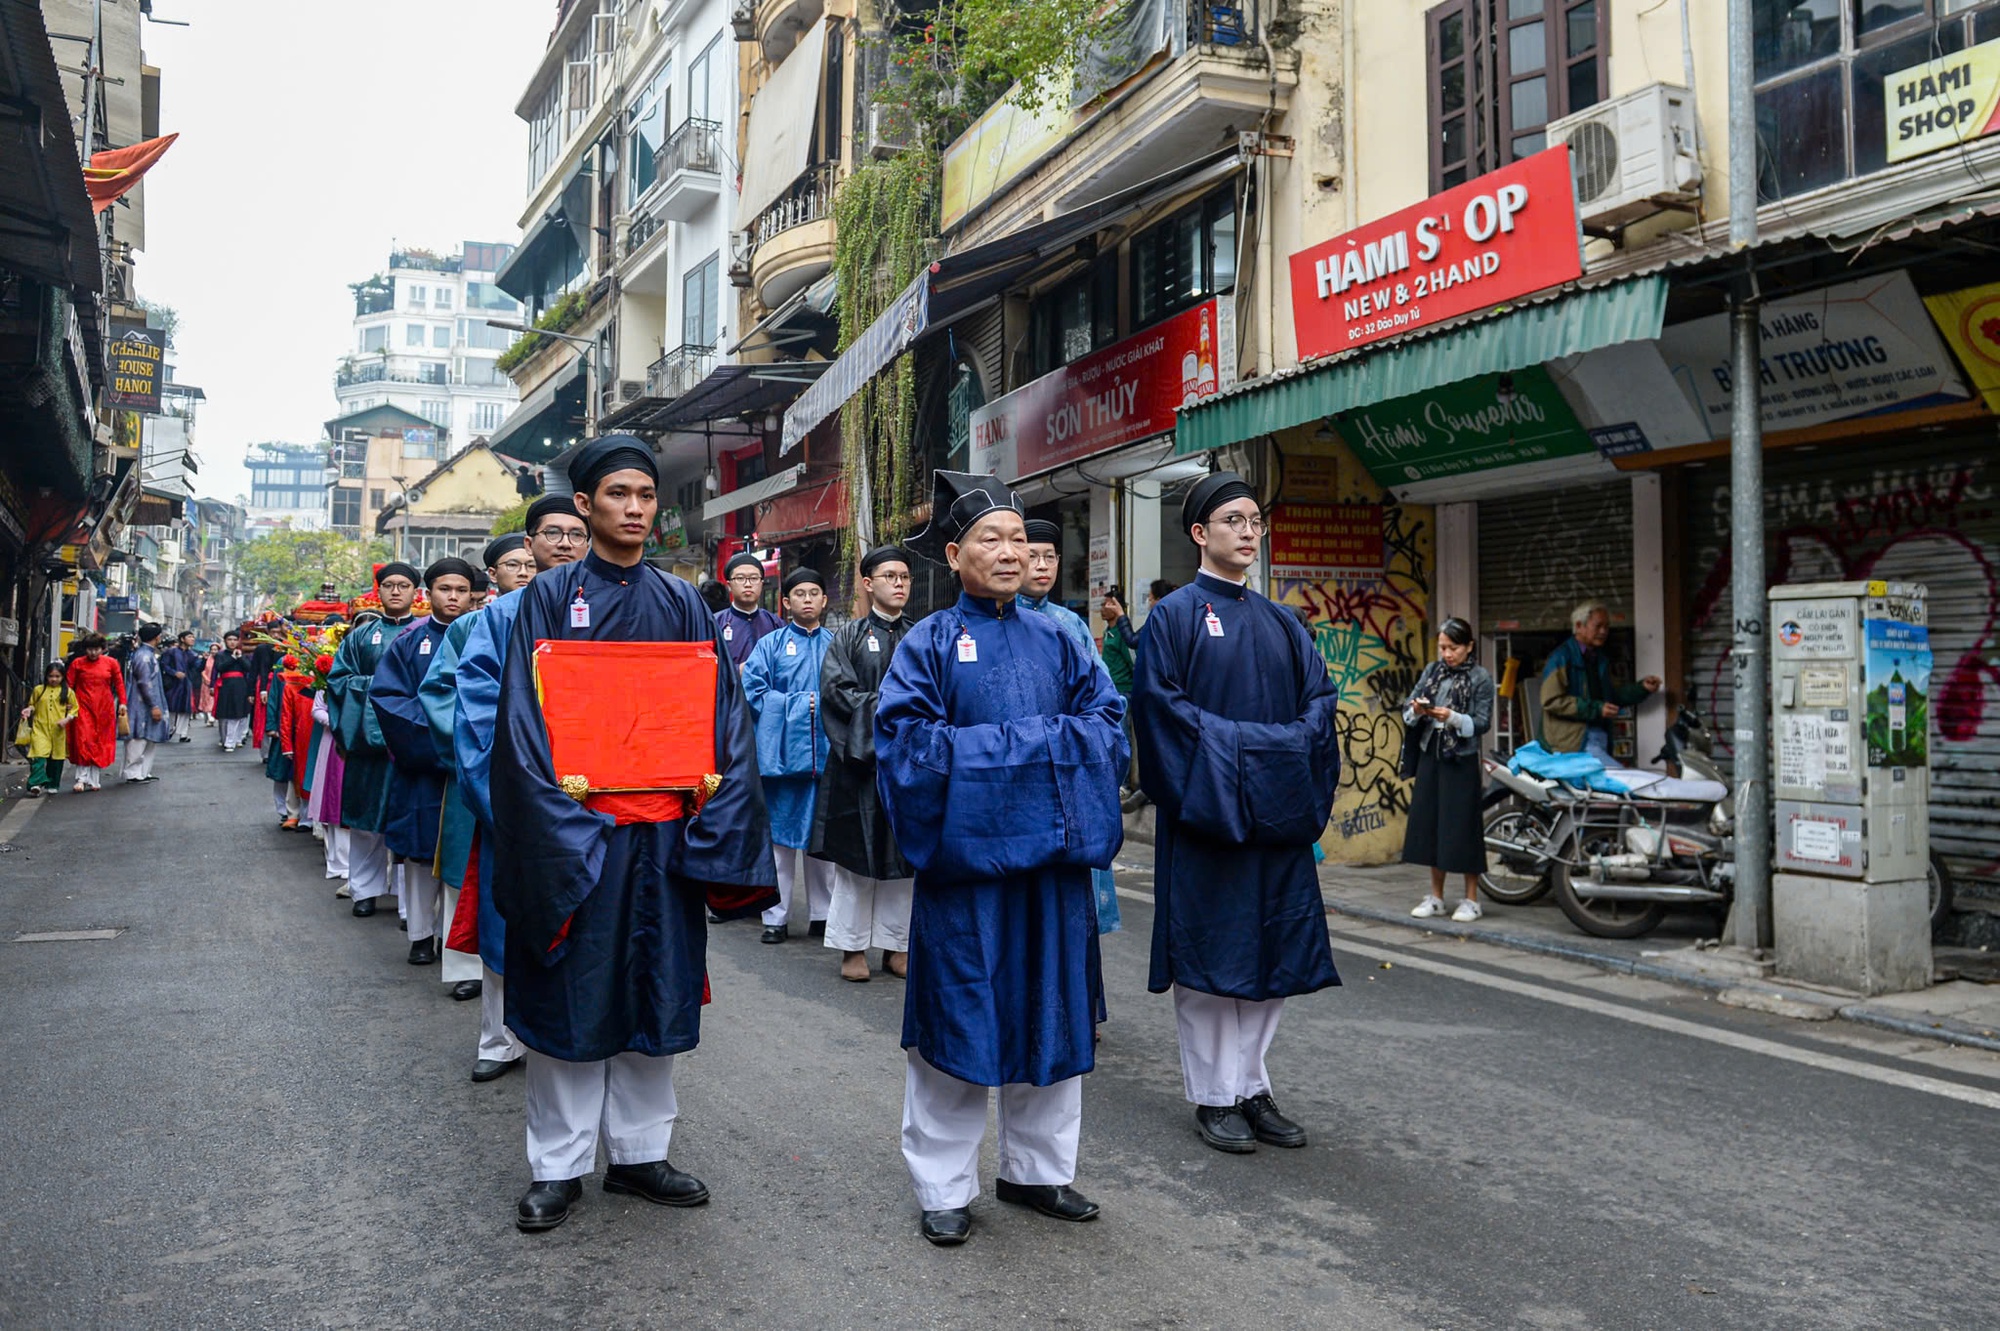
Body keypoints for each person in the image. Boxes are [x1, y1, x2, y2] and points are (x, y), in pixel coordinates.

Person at [488, 436, 776, 1233]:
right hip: (579, 832)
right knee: (572, 996)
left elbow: (723, 717)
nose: (636, 508)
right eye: (619, 493)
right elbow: (522, 722)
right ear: (584, 505)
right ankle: (559, 1164)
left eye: (646, 495)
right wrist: (561, 822)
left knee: (658, 985)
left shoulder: (684, 601)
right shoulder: (545, 600)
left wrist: (714, 812)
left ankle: (643, 1153)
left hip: (663, 837)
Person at [876, 470, 1128, 1247]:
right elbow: (908, 750)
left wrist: (1006, 754)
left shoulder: (1063, 635)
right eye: (992, 538)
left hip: (1052, 870)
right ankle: (943, 1185)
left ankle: (1037, 1172)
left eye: (1020, 538)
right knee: (961, 1022)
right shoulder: (925, 644)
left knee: (1050, 1017)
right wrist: (1042, 748)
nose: (1012, 551)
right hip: (969, 873)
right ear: (954, 554)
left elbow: (1109, 727)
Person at [1132, 473, 1342, 1157]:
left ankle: (1252, 1084)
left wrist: (1275, 755)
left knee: (1271, 952)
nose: (1249, 531)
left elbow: (1320, 702)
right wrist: (1253, 750)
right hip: (1208, 814)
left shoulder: (1283, 619)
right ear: (1200, 532)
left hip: (1277, 816)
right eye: (1233, 520)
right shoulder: (1174, 616)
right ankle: (1214, 1095)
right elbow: (1163, 713)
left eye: (1255, 519)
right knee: (1209, 955)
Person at [448, 495, 591, 1083]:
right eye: (550, 533)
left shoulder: (607, 607)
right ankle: (499, 1039)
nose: (563, 543)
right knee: (508, 921)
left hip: (596, 802)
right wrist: (508, 798)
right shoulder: (498, 618)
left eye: (574, 534)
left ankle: (575, 1030)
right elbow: (475, 710)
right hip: (521, 800)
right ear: (528, 545)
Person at [419, 533, 538, 1009]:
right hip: (487, 769)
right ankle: (474, 981)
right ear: (492, 574)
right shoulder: (471, 626)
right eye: (515, 564)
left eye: (530, 564)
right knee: (478, 884)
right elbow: (443, 694)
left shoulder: (575, 617)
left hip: (558, 781)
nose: (525, 572)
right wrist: (490, 748)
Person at [809, 545, 917, 982]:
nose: (899, 584)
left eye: (905, 577)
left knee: (903, 859)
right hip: (858, 763)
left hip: (907, 763)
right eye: (890, 576)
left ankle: (896, 946)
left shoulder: (921, 635)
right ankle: (851, 949)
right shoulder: (848, 637)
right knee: (856, 860)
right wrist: (889, 712)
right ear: (869, 583)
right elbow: (837, 695)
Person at [371, 558, 478, 968]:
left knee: (461, 859)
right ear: (427, 593)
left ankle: (457, 946)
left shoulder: (483, 635)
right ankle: (419, 934)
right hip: (422, 769)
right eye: (444, 589)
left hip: (467, 771)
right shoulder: (409, 642)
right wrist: (442, 739)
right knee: (418, 856)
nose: (453, 597)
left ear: (471, 595)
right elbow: (390, 700)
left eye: (461, 590)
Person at [1021, 520, 1123, 936]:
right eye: (1033, 556)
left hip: (1070, 767)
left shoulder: (1072, 625)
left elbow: (1105, 701)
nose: (1042, 566)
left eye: (1050, 557)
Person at [742, 567, 833, 945]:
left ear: (824, 601)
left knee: (823, 843)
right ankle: (775, 917)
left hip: (827, 754)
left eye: (814, 593)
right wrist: (802, 705)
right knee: (779, 842)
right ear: (786, 602)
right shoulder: (771, 645)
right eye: (800, 594)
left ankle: (823, 916)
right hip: (781, 758)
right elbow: (754, 691)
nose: (807, 599)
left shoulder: (837, 643)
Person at [326, 567, 421, 920]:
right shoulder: (361, 636)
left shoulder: (424, 633)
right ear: (377, 592)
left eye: (404, 586)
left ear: (416, 592)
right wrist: (381, 689)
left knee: (406, 820)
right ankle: (364, 889)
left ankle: (408, 902)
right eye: (389, 586)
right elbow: (338, 681)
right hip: (368, 742)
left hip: (410, 744)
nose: (396, 592)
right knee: (366, 821)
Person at [1404, 617, 1496, 922]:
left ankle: (1471, 899)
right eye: (1443, 647)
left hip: (1461, 758)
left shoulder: (1481, 678)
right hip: (1431, 753)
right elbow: (1409, 707)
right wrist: (1417, 709)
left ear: (1469, 646)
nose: (1447, 654)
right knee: (1432, 825)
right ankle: (1436, 897)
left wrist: (1454, 717)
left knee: (1464, 827)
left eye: (1453, 647)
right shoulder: (1433, 671)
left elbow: (1482, 723)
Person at [1539, 601, 1660, 758]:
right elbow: (1551, 701)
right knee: (1617, 779)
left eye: (1607, 627)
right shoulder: (1561, 658)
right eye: (1598, 626)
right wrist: (1596, 708)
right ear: (1579, 626)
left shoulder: (1598, 658)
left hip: (1596, 737)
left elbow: (1612, 695)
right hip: (1571, 743)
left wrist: (1642, 688)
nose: (1603, 631)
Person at [65, 633, 126, 793]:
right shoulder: (77, 663)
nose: (93, 653)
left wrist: (123, 703)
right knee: (83, 740)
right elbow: (69, 685)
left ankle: (94, 779)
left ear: (103, 649)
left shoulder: (111, 663)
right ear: (85, 649)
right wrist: (67, 704)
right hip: (81, 705)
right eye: (90, 649)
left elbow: (119, 684)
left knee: (100, 741)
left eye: (96, 649)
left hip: (104, 707)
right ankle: (81, 779)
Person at [715, 551, 783, 669]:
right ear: (729, 585)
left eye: (754, 578)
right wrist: (737, 671)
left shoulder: (776, 624)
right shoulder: (715, 623)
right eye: (740, 578)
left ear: (761, 583)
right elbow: (708, 664)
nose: (748, 584)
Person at [122, 624, 171, 783]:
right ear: (157, 637)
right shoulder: (144, 656)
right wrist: (154, 705)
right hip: (142, 702)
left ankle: (143, 771)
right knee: (139, 737)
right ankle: (133, 773)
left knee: (149, 737)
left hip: (148, 701)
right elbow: (144, 683)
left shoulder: (146, 654)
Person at [20, 661, 77, 796]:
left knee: (56, 759)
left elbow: (74, 709)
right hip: (40, 728)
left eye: (57, 676)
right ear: (46, 676)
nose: (54, 679)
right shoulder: (38, 690)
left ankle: (53, 783)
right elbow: (33, 704)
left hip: (58, 730)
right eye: (51, 676)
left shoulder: (68, 692)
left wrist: (67, 719)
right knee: (38, 756)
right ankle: (35, 784)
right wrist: (29, 709)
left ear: (62, 677)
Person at [212, 632, 254, 751]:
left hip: (240, 686)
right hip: (226, 686)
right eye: (229, 639)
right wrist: (233, 658)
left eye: (235, 640)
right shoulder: (220, 655)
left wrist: (239, 657)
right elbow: (220, 668)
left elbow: (248, 668)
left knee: (239, 713)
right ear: (225, 641)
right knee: (225, 713)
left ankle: (234, 739)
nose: (232, 642)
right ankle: (226, 739)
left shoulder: (243, 655)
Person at [161, 630, 198, 742]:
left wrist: (204, 660)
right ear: (182, 639)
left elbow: (197, 667)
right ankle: (169, 730)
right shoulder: (171, 652)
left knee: (185, 709)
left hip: (185, 683)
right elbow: (163, 665)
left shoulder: (192, 654)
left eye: (193, 637)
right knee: (171, 707)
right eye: (190, 636)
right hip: (172, 683)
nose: (192, 639)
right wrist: (174, 673)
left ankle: (183, 733)